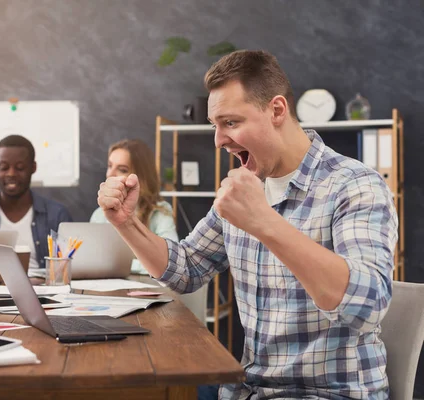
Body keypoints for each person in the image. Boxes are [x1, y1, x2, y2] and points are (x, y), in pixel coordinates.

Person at [97, 50, 397, 399]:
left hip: (328, 393)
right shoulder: (245, 186)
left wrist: (264, 221)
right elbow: (186, 269)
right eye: (215, 125)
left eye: (231, 123)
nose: (219, 140)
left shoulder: (356, 184)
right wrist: (126, 222)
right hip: (249, 389)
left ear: (277, 110)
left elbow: (368, 306)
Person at [0, 135, 72, 270]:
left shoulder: (57, 215)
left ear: (33, 168)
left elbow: (66, 269)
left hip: (43, 289)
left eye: (20, 168)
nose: (11, 173)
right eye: (4, 167)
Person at [90, 139, 178, 273]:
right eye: (109, 166)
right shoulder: (99, 214)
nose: (110, 174)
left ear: (140, 176)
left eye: (122, 169)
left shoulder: (160, 212)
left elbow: (172, 261)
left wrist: (118, 266)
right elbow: (91, 260)